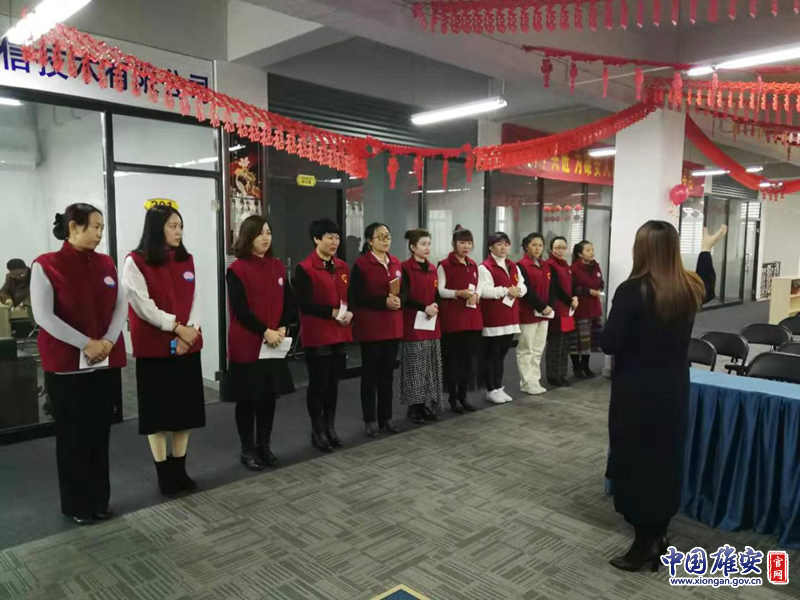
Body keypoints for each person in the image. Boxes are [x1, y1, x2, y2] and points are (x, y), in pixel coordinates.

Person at [601, 222, 725, 572]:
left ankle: (644, 544)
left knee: (635, 458)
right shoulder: (689, 286)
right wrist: (706, 249)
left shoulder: (632, 289)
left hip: (637, 390)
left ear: (641, 249)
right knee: (664, 457)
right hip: (673, 387)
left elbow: (610, 343)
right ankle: (658, 534)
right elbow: (709, 284)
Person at [31, 203, 127, 524]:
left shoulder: (106, 263)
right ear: (73, 227)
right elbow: (44, 316)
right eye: (94, 227)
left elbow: (120, 306)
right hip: (67, 367)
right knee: (73, 437)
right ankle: (76, 504)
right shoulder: (47, 265)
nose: (100, 233)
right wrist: (86, 343)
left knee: (99, 435)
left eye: (102, 228)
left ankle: (100, 501)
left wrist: (108, 342)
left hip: (103, 363)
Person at [122, 204, 205, 496]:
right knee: (157, 416)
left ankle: (180, 468)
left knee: (185, 414)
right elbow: (142, 306)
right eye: (172, 226)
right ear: (156, 228)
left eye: (180, 226)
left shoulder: (187, 260)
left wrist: (190, 331)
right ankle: (163, 472)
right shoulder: (136, 261)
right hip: (155, 351)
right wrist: (176, 327)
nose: (178, 231)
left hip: (187, 348)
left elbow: (197, 299)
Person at [226, 215, 294, 471]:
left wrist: (282, 326)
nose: (266, 238)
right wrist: (265, 331)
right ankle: (247, 450)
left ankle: (264, 445)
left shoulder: (277, 266)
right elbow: (241, 310)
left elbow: (289, 301)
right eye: (260, 233)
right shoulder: (237, 269)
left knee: (268, 396)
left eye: (268, 232)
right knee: (247, 399)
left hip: (274, 343)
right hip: (248, 343)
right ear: (248, 237)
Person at [293, 218, 352, 453]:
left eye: (336, 238)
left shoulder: (342, 266)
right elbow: (304, 304)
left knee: (333, 385)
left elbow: (349, 297)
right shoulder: (305, 268)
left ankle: (330, 427)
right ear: (317, 239)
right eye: (329, 237)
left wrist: (350, 313)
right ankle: (317, 430)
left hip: (340, 332)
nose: (334, 242)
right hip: (317, 335)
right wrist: (332, 312)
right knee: (318, 385)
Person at [350, 223, 403, 437]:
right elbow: (357, 296)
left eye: (387, 236)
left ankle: (386, 417)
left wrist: (399, 300)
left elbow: (403, 289)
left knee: (387, 375)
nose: (385, 240)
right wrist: (383, 302)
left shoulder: (396, 262)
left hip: (392, 326)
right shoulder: (362, 265)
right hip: (372, 328)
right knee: (370, 376)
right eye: (380, 237)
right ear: (369, 241)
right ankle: (370, 419)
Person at [399, 229, 443, 423]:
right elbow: (405, 297)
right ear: (412, 247)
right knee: (414, 367)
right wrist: (423, 307)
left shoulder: (432, 268)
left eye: (429, 244)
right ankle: (413, 407)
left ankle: (424, 404)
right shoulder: (405, 268)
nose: (427, 248)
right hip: (413, 323)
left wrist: (434, 306)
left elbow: (436, 294)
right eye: (423, 244)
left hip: (431, 323)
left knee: (429, 368)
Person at [437, 226, 482, 413]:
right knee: (453, 362)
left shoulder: (473, 264)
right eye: (462, 242)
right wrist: (458, 293)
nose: (466, 246)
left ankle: (464, 396)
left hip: (472, 319)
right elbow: (440, 290)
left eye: (469, 243)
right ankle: (453, 398)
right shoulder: (444, 265)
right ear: (454, 244)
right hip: (453, 321)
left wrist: (476, 295)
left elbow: (478, 286)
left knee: (468, 362)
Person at [479, 231, 526, 404]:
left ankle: (498, 387)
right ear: (491, 247)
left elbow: (522, 284)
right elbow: (484, 291)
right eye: (499, 244)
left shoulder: (513, 265)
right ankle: (490, 389)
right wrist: (506, 290)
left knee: (501, 355)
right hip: (494, 318)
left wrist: (518, 291)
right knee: (491, 355)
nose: (503, 248)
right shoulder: (485, 267)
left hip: (510, 317)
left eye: (506, 244)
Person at [516, 233, 553, 395]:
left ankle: (535, 380)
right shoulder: (521, 265)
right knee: (526, 349)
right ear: (526, 246)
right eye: (534, 245)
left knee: (538, 349)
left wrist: (548, 306)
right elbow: (526, 291)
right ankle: (526, 382)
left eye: (540, 245)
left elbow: (551, 288)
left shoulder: (545, 265)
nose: (537, 248)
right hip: (528, 313)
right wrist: (541, 306)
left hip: (544, 313)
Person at [545, 236, 579, 386]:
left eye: (563, 248)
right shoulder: (550, 265)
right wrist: (570, 300)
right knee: (556, 344)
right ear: (551, 249)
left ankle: (562, 374)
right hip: (558, 309)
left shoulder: (566, 265)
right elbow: (556, 288)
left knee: (565, 344)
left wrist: (575, 297)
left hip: (568, 311)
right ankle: (553, 376)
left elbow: (572, 285)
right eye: (557, 247)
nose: (560, 250)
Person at [570, 240, 604, 379]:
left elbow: (601, 282)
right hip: (580, 308)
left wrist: (599, 288)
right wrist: (588, 291)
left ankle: (585, 364)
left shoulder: (596, 266)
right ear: (580, 254)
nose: (591, 252)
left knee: (589, 340)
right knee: (577, 340)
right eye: (588, 250)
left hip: (594, 308)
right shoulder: (574, 269)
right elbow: (572, 288)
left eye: (592, 249)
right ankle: (576, 366)